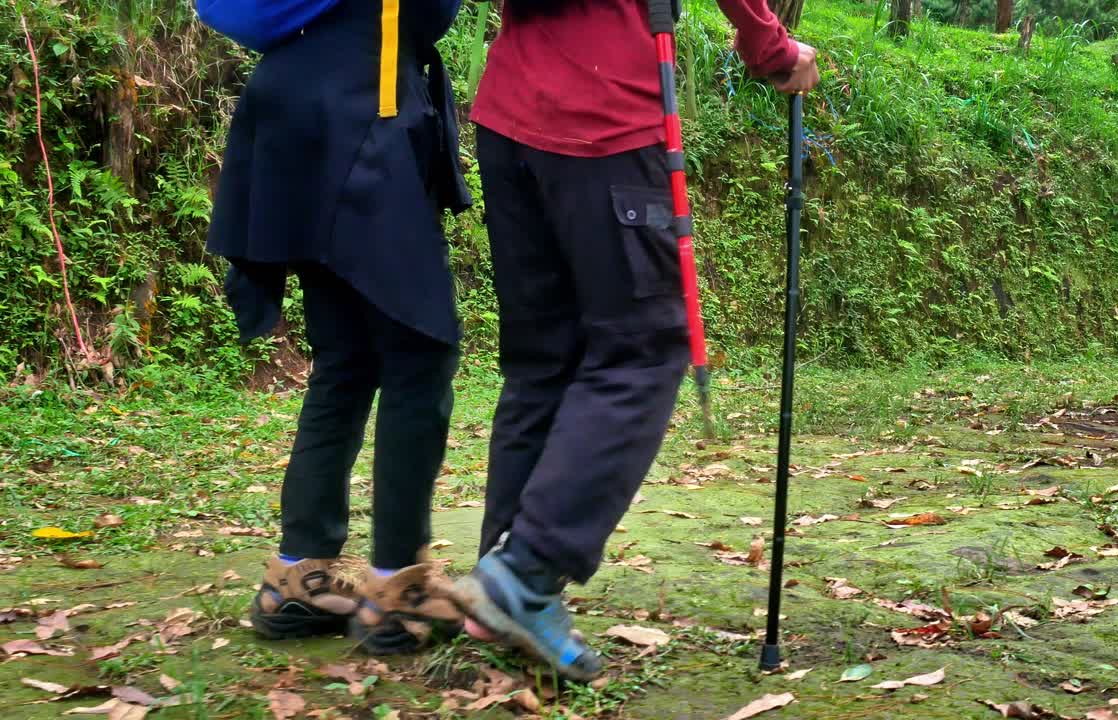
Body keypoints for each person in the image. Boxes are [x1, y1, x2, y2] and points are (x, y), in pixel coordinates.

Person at [448, 0, 821, 680]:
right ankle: (525, 573)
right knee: (644, 350)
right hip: (605, 119)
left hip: (507, 116)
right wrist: (771, 48)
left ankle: (499, 583)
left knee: (543, 362)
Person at [205, 0, 472, 655]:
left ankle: (300, 579)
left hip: (297, 108)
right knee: (420, 352)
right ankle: (399, 593)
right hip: (363, 112)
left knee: (347, 358)